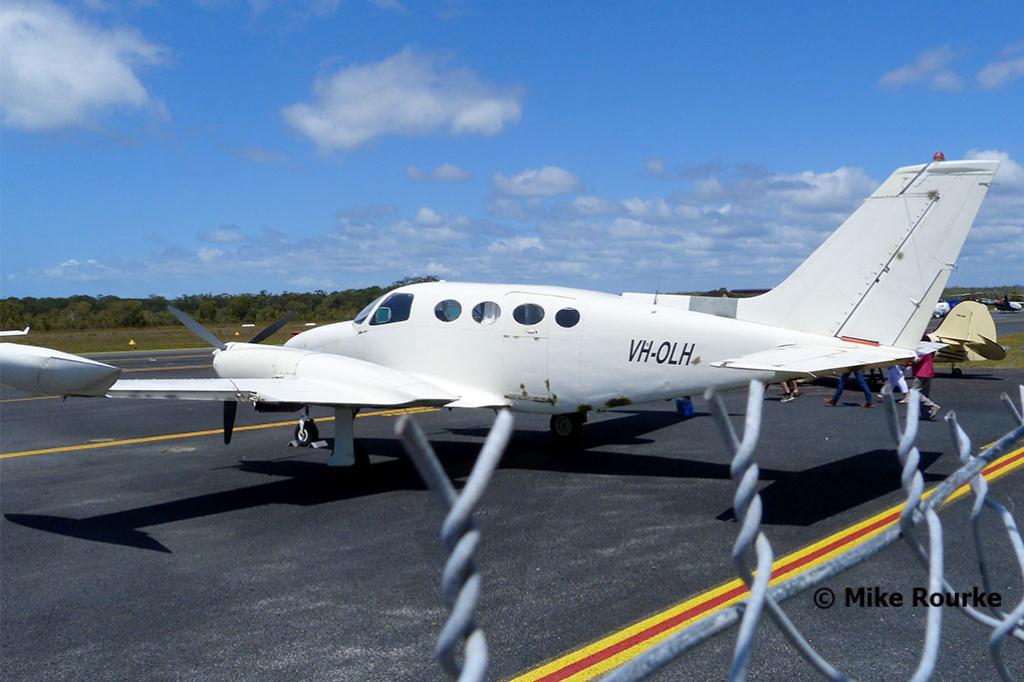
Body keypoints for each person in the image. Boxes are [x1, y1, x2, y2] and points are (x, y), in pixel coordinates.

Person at [911, 350, 941, 420]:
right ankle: (926, 414)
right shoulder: (930, 350)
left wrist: (907, 360)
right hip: (928, 372)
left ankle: (932, 406)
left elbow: (917, 360)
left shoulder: (922, 350)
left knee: (914, 392)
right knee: (924, 394)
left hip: (921, 373)